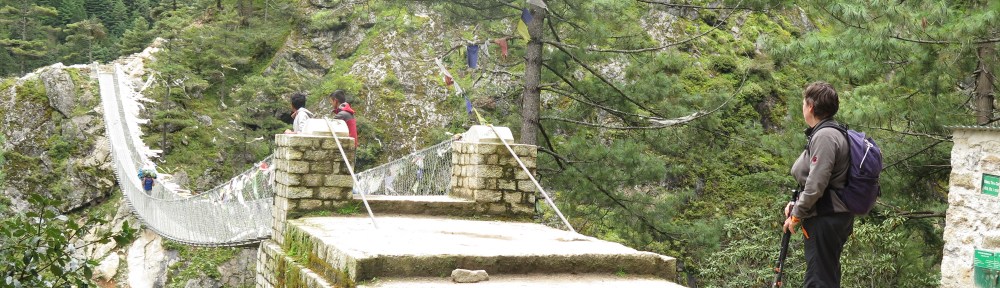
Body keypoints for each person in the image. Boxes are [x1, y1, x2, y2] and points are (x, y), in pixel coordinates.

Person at [783, 81, 854, 287]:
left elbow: (816, 185)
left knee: (818, 280)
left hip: (825, 217)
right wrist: (796, 206)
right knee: (826, 275)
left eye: (804, 103)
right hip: (832, 216)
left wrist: (797, 215)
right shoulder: (831, 132)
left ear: (811, 106)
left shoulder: (824, 136)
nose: (803, 107)